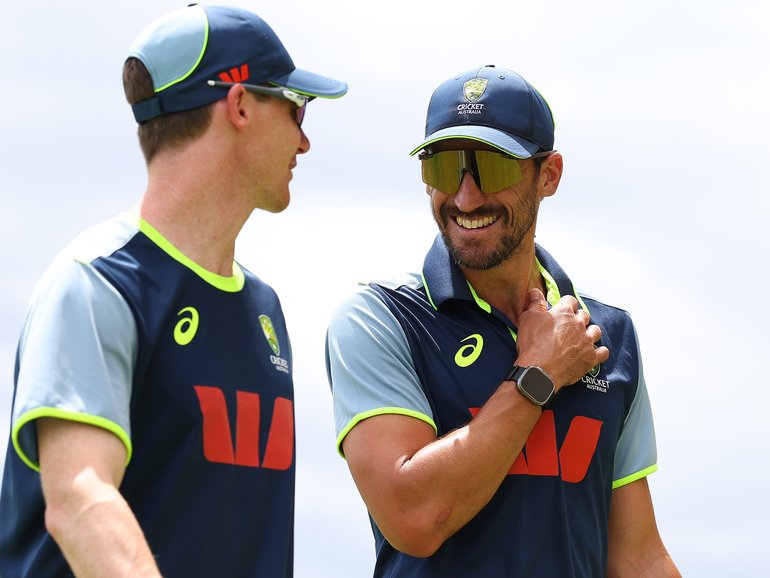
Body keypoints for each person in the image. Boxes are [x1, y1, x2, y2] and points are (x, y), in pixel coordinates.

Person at [0, 4, 346, 577]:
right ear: (239, 105)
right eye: (295, 108)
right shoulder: (97, 284)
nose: (305, 141)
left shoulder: (264, 308)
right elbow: (80, 500)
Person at [325, 65, 680, 576]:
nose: (466, 198)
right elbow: (414, 516)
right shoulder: (380, 320)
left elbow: (638, 555)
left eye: (493, 169)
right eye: (445, 170)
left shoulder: (607, 335)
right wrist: (538, 373)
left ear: (549, 175)